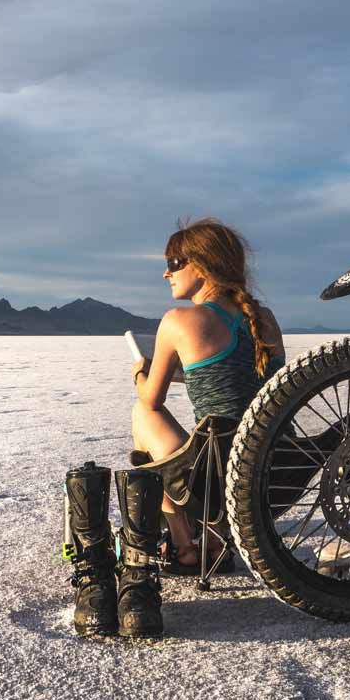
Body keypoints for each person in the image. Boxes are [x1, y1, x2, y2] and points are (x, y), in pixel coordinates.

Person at [129, 217, 285, 571]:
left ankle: (190, 546)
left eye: (172, 264)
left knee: (142, 413)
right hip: (275, 474)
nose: (166, 274)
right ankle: (207, 539)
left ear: (200, 265)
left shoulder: (179, 322)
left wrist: (141, 372)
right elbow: (243, 378)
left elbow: (151, 399)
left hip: (217, 480)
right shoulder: (265, 318)